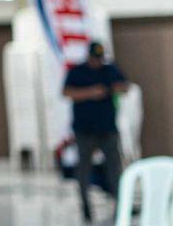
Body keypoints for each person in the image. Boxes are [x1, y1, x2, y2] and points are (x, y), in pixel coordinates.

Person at [63, 42, 129, 224]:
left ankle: (121, 203)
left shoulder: (110, 70)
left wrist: (110, 89)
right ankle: (85, 206)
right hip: (84, 130)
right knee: (83, 169)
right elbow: (66, 92)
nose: (97, 62)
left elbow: (125, 86)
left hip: (107, 129)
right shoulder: (78, 72)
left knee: (114, 169)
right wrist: (90, 92)